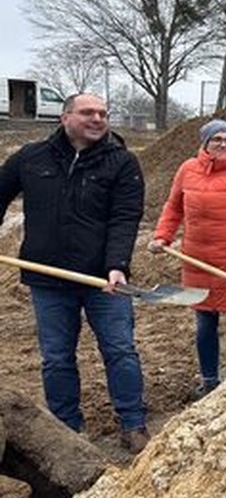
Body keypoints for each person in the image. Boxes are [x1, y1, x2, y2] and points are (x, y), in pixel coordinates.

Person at [0, 93, 149, 453]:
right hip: (48, 279)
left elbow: (125, 218)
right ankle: (67, 431)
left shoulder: (122, 162)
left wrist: (117, 265)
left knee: (120, 350)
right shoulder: (30, 158)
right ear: (65, 117)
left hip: (104, 281)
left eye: (103, 113)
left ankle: (133, 424)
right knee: (56, 357)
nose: (97, 118)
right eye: (88, 112)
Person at [148, 119, 226, 400]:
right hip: (197, 262)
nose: (224, 143)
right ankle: (209, 381)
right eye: (217, 139)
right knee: (204, 322)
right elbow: (173, 207)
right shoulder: (188, 169)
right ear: (205, 143)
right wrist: (162, 237)